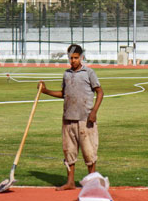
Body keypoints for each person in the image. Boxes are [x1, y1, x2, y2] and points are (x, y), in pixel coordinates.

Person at [38, 44, 104, 190]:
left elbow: (100, 92)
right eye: (71, 58)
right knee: (69, 152)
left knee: (89, 153)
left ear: (81, 57)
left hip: (85, 119)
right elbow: (64, 94)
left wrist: (94, 111)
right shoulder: (66, 74)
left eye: (76, 58)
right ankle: (70, 182)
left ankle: (92, 184)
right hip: (68, 118)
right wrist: (46, 91)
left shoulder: (89, 73)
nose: (73, 61)